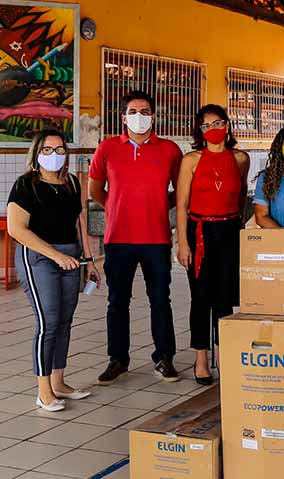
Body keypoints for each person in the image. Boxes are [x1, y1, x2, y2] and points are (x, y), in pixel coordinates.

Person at [89, 90, 183, 385]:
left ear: (153, 117)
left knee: (160, 299)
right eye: (133, 111)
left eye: (144, 111)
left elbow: (179, 192)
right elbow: (94, 190)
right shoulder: (107, 148)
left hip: (156, 238)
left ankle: (164, 358)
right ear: (123, 117)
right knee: (117, 300)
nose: (139, 116)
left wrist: (155, 204)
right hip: (118, 238)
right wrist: (117, 206)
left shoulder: (169, 150)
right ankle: (118, 359)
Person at [6, 129, 100, 411]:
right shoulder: (26, 185)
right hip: (39, 259)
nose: (54, 155)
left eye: (60, 150)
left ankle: (59, 381)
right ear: (36, 154)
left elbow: (79, 222)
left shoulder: (71, 182)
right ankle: (43, 389)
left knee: (65, 321)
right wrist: (55, 255)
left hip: (70, 257)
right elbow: (16, 229)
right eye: (47, 150)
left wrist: (88, 259)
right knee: (47, 322)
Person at [175, 105, 249, 386]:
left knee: (225, 297)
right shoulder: (191, 160)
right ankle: (201, 359)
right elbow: (181, 205)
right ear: (200, 131)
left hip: (230, 230)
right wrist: (183, 243)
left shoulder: (240, 158)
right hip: (200, 230)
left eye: (218, 122)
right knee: (201, 296)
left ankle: (225, 354)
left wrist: (238, 225)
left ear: (227, 126)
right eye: (206, 125)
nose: (213, 129)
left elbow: (241, 194)